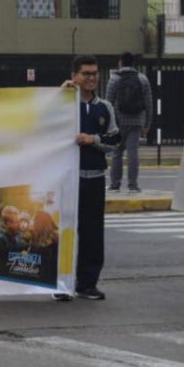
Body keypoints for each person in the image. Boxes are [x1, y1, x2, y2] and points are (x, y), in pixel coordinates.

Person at [57, 55, 119, 300]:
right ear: (74, 76)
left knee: (93, 233)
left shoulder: (105, 108)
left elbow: (115, 141)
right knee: (65, 232)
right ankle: (61, 285)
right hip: (67, 179)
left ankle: (87, 284)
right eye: (86, 73)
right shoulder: (62, 103)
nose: (91, 78)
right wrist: (59, 95)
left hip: (94, 178)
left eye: (94, 73)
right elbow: (42, 125)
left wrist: (93, 140)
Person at [106, 52, 153, 193]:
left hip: (118, 122)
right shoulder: (142, 79)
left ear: (120, 62)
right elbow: (149, 103)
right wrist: (147, 124)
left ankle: (115, 184)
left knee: (117, 152)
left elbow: (108, 102)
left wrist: (108, 124)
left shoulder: (114, 79)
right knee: (133, 153)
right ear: (133, 64)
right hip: (137, 121)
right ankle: (133, 185)